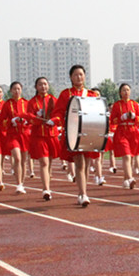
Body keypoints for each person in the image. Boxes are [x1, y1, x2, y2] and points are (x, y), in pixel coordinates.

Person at [50, 64, 100, 207]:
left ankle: (83, 191)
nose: (79, 77)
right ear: (71, 77)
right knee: (79, 162)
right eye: (76, 75)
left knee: (87, 163)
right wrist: (55, 120)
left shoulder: (91, 94)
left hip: (89, 131)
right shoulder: (66, 94)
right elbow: (58, 112)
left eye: (81, 74)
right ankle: (83, 193)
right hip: (73, 132)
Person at [25, 77, 58, 201]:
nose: (43, 87)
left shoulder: (54, 100)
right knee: (43, 162)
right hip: (39, 135)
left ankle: (47, 183)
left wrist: (53, 120)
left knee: (49, 162)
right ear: (36, 87)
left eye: (45, 84)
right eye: (40, 84)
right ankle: (46, 189)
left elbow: (59, 115)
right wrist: (36, 117)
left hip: (51, 134)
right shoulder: (32, 102)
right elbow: (29, 116)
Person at [110, 83, 139, 190]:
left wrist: (134, 117)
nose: (126, 92)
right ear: (120, 92)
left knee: (132, 157)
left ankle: (125, 179)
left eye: (128, 90)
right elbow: (113, 120)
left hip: (133, 132)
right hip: (122, 131)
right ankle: (130, 178)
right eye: (124, 90)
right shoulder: (117, 105)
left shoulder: (135, 104)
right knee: (126, 156)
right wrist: (122, 117)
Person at [0, 81, 31, 194]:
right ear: (11, 91)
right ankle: (18, 184)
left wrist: (27, 121)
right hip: (13, 135)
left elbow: (31, 118)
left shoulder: (27, 103)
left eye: (18, 89)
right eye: (14, 89)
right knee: (17, 158)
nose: (16, 91)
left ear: (21, 90)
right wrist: (10, 121)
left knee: (23, 160)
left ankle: (22, 183)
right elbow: (1, 120)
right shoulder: (7, 104)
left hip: (25, 134)